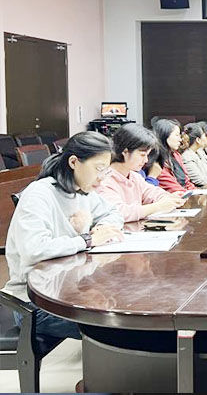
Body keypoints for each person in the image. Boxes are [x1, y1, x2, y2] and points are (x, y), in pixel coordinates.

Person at [2, 132, 124, 352]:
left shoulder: (83, 192)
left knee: (125, 306)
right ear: (74, 162)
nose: (102, 178)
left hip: (71, 292)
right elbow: (34, 250)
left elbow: (113, 212)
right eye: (98, 169)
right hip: (34, 303)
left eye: (105, 170)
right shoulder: (40, 194)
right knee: (121, 326)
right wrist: (86, 239)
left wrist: (101, 228)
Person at [95, 124, 185, 222]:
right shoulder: (104, 179)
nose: (146, 160)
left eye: (147, 155)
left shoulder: (134, 176)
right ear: (125, 152)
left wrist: (169, 198)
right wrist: (158, 206)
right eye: (142, 155)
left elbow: (153, 192)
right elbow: (119, 212)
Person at [153, 119, 195, 192]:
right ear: (164, 135)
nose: (180, 139)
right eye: (177, 135)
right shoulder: (157, 159)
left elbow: (186, 181)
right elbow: (172, 187)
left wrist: (196, 191)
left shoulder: (176, 155)